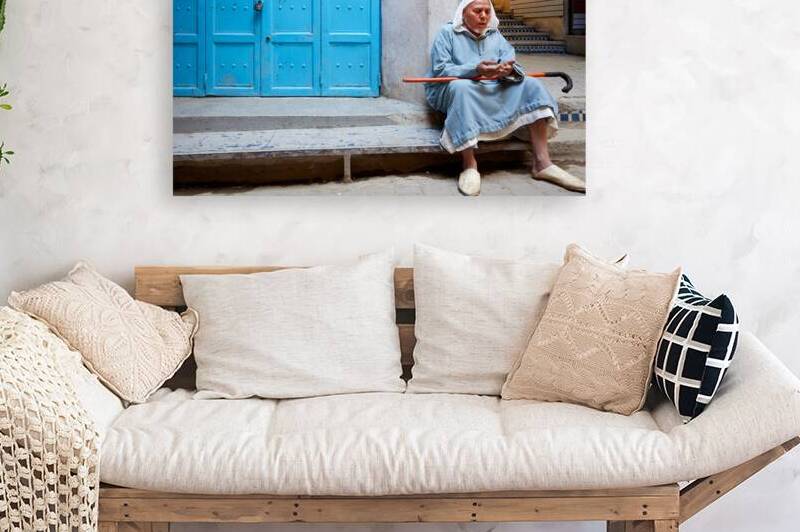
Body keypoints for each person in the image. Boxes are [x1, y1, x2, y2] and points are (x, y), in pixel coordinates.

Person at [425, 0, 585, 196]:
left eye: (487, 11)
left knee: (531, 84)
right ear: (463, 13)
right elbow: (441, 71)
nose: (484, 16)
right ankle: (470, 165)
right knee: (461, 88)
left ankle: (543, 163)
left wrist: (507, 70)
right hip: (458, 88)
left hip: (493, 86)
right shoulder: (447, 34)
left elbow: (512, 63)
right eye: (477, 11)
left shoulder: (495, 35)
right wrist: (475, 69)